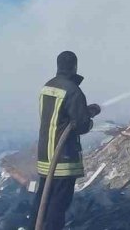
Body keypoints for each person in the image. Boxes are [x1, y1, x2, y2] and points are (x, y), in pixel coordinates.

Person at [30, 50, 101, 230]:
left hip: (45, 155)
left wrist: (84, 110)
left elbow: (61, 116)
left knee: (43, 199)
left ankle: (35, 226)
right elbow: (81, 125)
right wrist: (89, 119)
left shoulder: (47, 87)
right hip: (63, 157)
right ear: (75, 66)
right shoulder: (73, 91)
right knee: (58, 204)